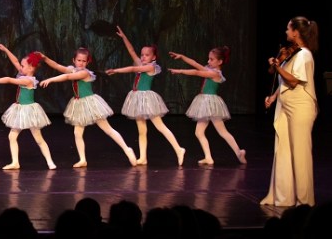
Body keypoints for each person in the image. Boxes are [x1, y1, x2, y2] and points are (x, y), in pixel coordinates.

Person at [39, 47, 137, 167]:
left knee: (107, 129)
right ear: (74, 60)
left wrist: (50, 79)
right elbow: (57, 66)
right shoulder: (72, 70)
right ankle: (82, 159)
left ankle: (127, 149)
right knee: (77, 133)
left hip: (91, 104)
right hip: (79, 104)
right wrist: (45, 58)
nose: (81, 63)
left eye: (84, 61)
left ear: (87, 62)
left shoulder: (84, 73)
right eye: (79, 60)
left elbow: (67, 77)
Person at [260, 17, 319, 207]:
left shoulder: (304, 55)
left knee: (300, 154)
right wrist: (273, 97)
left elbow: (293, 81)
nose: (286, 32)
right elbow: (285, 82)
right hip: (286, 105)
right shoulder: (294, 54)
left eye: (288, 29)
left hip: (300, 106)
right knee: (283, 151)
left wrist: (278, 66)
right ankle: (283, 196)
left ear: (296, 32)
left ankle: (304, 201)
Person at [105, 26, 186, 166]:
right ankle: (143, 157)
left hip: (147, 100)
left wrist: (116, 70)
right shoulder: (142, 63)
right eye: (142, 54)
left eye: (146, 55)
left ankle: (179, 149)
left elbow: (133, 68)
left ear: (153, 57)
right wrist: (124, 37)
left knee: (160, 126)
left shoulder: (151, 67)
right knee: (142, 131)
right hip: (137, 99)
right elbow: (131, 51)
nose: (143, 57)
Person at [0, 43, 56, 170]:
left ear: (31, 68)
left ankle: (50, 162)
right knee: (12, 136)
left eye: (23, 66)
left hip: (29, 111)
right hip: (20, 109)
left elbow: (9, 80)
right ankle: (15, 162)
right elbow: (15, 61)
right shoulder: (24, 74)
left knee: (38, 138)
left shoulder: (28, 80)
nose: (20, 68)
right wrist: (5, 50)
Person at [168, 46, 247, 166]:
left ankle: (239, 152)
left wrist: (180, 71)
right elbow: (195, 64)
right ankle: (208, 157)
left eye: (211, 59)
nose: (208, 61)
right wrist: (182, 57)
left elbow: (196, 72)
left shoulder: (215, 74)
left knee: (222, 131)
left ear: (220, 62)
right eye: (208, 59)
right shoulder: (210, 70)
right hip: (205, 103)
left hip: (211, 104)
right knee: (199, 132)